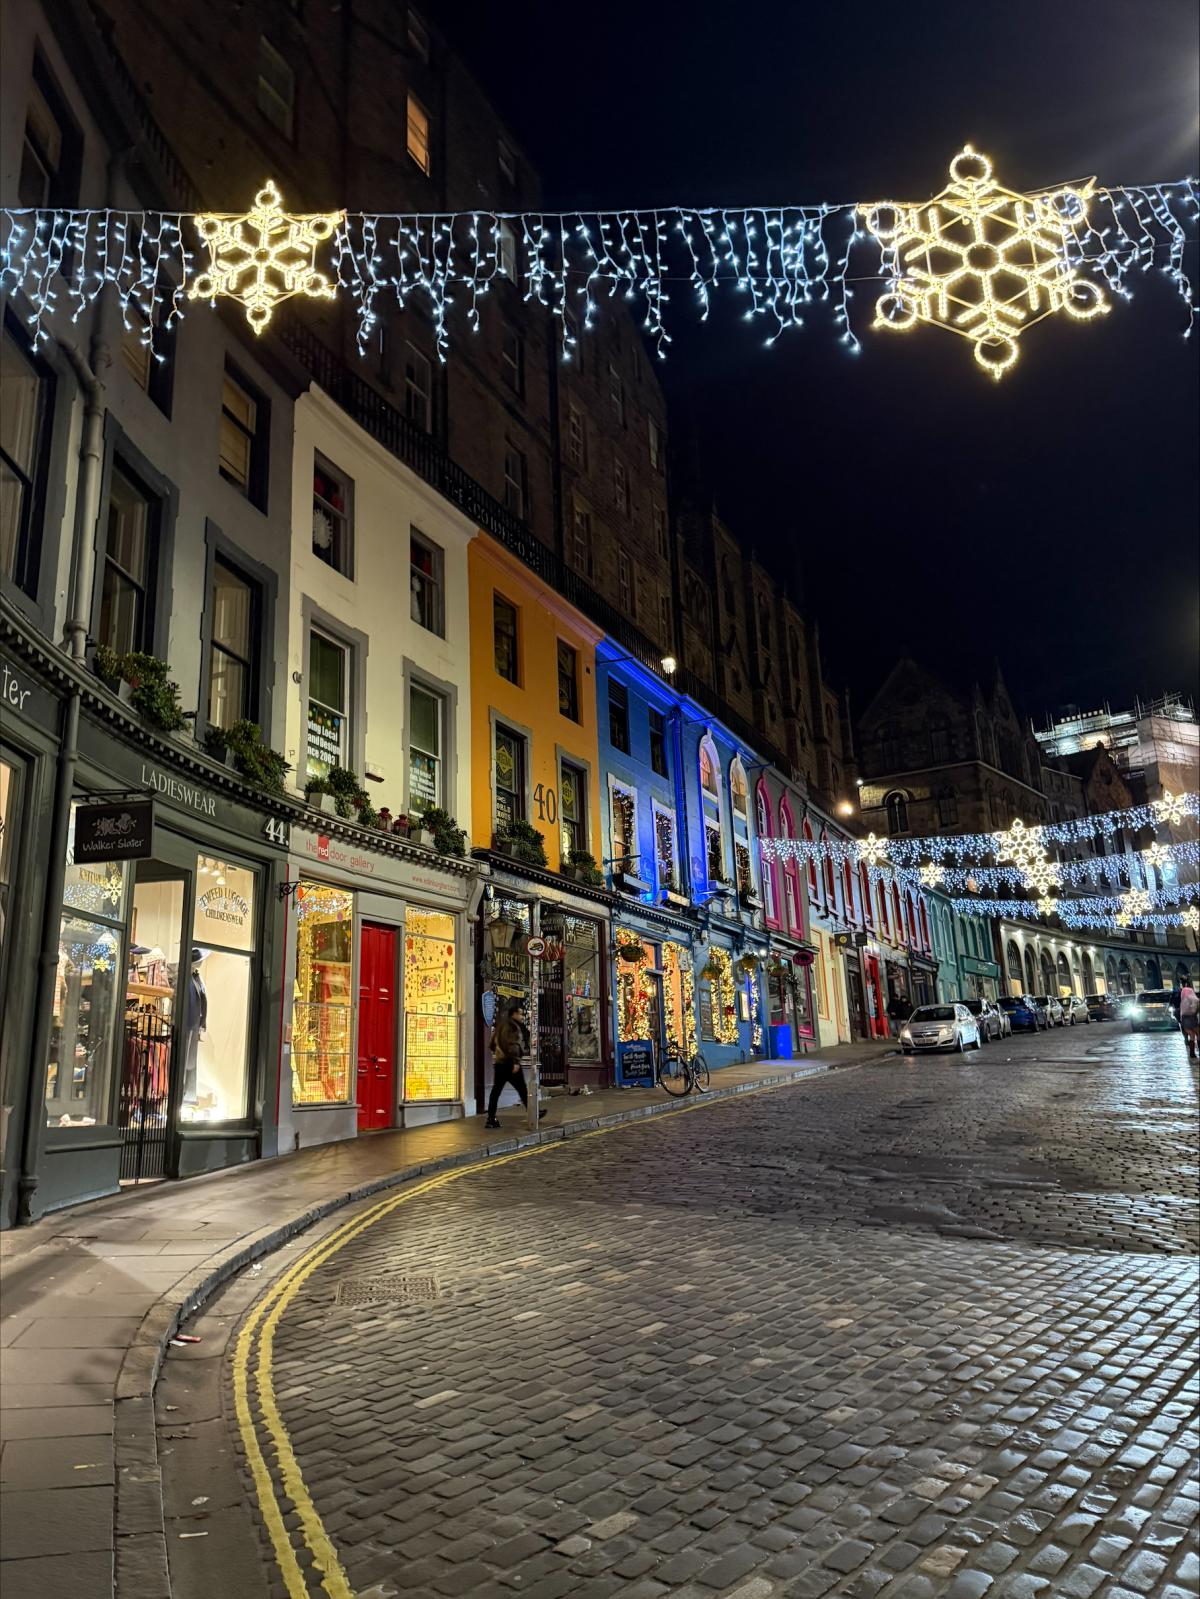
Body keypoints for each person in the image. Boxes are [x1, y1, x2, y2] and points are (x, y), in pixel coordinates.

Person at [485, 1001, 531, 1128]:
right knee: (522, 1089)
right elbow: (512, 1045)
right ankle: (534, 1113)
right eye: (521, 1014)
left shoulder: (500, 1026)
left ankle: (490, 1119)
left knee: (496, 1092)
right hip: (510, 1063)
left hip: (500, 1064)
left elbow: (492, 1045)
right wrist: (515, 1061)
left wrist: (499, 1054)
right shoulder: (512, 1027)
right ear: (514, 1014)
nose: (522, 1017)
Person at [1179, 981, 1199, 1060]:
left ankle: (1192, 1053)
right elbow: (1195, 1010)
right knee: (1198, 1034)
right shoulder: (1195, 999)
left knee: (1191, 1035)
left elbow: (1181, 1013)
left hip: (1184, 1019)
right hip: (1192, 1018)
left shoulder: (1182, 1001)